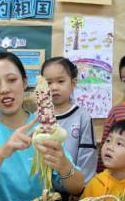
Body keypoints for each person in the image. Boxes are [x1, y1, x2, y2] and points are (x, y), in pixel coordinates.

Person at [0, 52, 85, 201]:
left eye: (12, 80)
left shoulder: (45, 128)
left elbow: (77, 186)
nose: (4, 89)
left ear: (25, 82)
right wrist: (2, 152)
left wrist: (63, 163)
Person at [41, 56, 97, 187]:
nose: (54, 87)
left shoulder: (82, 117)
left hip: (73, 190)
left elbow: (88, 156)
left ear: (73, 83)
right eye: (48, 83)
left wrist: (83, 188)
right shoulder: (37, 117)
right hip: (42, 192)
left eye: (60, 81)